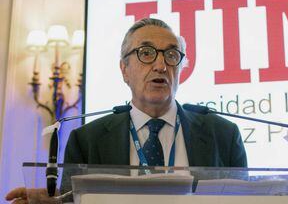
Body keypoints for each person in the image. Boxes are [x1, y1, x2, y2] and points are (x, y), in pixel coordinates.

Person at [5, 18, 247, 203]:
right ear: (124, 69)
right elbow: (75, 201)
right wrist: (58, 201)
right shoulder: (87, 140)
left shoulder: (224, 135)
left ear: (181, 69)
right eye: (146, 53)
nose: (161, 66)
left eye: (172, 55)